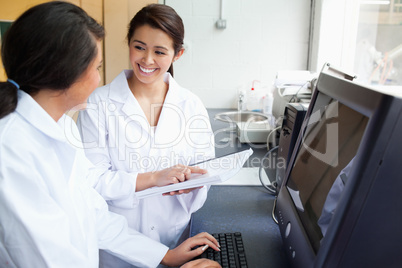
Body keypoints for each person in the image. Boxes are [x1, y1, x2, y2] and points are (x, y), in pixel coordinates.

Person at [0, 2, 221, 267]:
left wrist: (164, 255)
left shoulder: (62, 127)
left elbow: (94, 215)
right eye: (96, 67)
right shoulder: (10, 151)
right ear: (65, 73)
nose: (98, 78)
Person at [77, 4, 215, 267]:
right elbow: (91, 180)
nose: (147, 60)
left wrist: (193, 184)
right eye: (139, 47)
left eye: (160, 51)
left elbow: (205, 168)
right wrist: (152, 179)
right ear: (128, 44)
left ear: (178, 54)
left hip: (176, 239)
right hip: (117, 251)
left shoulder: (191, 104)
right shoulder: (98, 103)